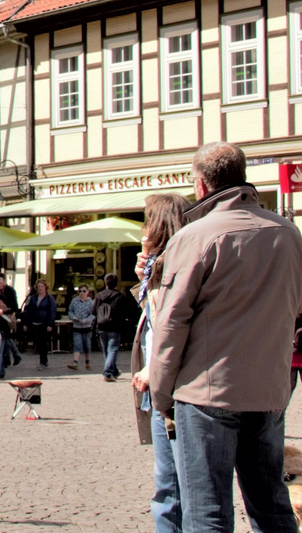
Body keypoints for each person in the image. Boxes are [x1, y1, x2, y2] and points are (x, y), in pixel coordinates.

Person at [150, 141, 302, 533]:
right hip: (268, 388)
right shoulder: (289, 234)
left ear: (201, 185)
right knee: (271, 505)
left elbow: (171, 323)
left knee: (208, 511)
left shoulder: (195, 237)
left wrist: (161, 394)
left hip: (207, 391)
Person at [130, 193, 191, 533]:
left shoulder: (177, 266)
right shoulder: (160, 265)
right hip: (161, 385)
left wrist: (152, 367)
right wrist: (145, 280)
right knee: (169, 483)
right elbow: (154, 320)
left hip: (171, 388)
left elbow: (171, 326)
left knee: (176, 484)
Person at [94, 272, 132, 381]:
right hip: (114, 326)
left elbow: (93, 311)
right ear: (116, 284)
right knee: (112, 349)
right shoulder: (120, 296)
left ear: (105, 283)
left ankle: (113, 371)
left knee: (106, 350)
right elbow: (126, 312)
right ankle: (107, 373)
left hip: (101, 326)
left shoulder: (99, 296)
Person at [21, 279, 58, 370]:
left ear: (45, 288)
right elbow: (28, 311)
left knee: (43, 343)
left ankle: (43, 362)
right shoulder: (33, 298)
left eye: (42, 287)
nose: (40, 288)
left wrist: (50, 324)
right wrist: (26, 323)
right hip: (35, 323)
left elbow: (52, 312)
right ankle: (43, 361)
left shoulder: (50, 299)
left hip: (44, 323)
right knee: (38, 342)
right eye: (39, 287)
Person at [0, 276, 22, 367]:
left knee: (6, 337)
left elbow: (14, 306)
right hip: (0, 318)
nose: (0, 285)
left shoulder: (9, 291)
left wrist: (5, 311)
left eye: (1, 282)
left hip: (7, 317)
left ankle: (13, 356)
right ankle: (10, 358)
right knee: (5, 337)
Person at [67, 284, 95, 371]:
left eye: (84, 291)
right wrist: (73, 317)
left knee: (87, 345)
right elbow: (70, 311)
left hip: (87, 327)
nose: (82, 293)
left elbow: (93, 314)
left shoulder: (91, 302)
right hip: (77, 326)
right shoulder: (74, 301)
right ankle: (75, 362)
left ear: (87, 292)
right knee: (77, 344)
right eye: (80, 291)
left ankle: (87, 362)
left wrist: (86, 320)